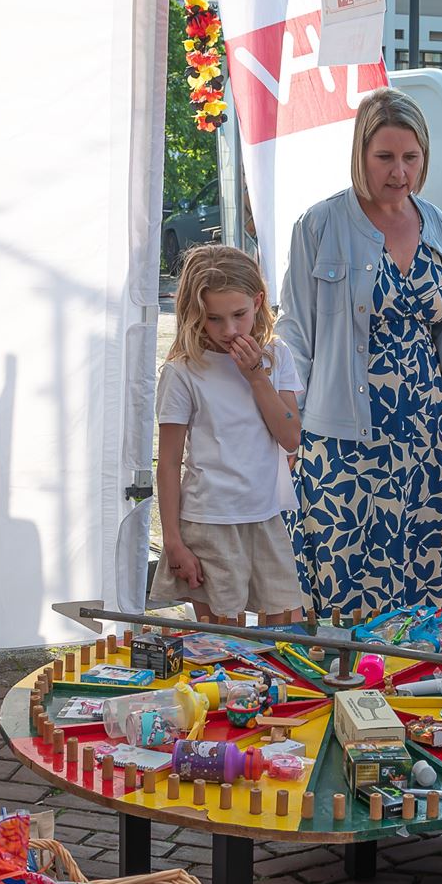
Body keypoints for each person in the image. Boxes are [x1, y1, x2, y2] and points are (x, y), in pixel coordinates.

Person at [278, 88, 442, 616]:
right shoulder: (320, 224)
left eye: (411, 157)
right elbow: (294, 333)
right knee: (348, 574)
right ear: (360, 154)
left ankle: (412, 665)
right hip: (344, 435)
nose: (399, 172)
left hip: (425, 431)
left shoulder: (433, 220)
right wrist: (288, 426)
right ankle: (349, 668)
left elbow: (439, 312)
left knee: (421, 570)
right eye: (385, 157)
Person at [151, 246, 305, 626]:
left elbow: (290, 437)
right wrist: (173, 541)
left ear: (258, 302)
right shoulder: (183, 372)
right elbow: (168, 464)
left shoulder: (276, 355)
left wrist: (256, 377)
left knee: (286, 633)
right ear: (195, 313)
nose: (230, 331)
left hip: (266, 516)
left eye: (239, 315)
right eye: (214, 319)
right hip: (209, 522)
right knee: (225, 642)